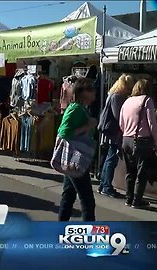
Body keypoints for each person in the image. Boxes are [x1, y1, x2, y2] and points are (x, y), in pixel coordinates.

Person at [57, 78, 97, 221]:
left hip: (75, 158)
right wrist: (88, 126)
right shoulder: (76, 109)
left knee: (68, 195)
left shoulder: (80, 108)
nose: (94, 93)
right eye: (91, 89)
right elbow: (63, 132)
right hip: (75, 158)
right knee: (87, 201)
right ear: (83, 92)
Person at [119, 79, 156, 208]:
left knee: (130, 171)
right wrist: (156, 141)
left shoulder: (127, 101)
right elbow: (152, 123)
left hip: (126, 139)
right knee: (142, 172)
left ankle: (129, 198)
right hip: (142, 140)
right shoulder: (147, 100)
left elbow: (121, 122)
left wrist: (127, 132)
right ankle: (137, 200)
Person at [98, 74, 134, 198]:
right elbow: (118, 116)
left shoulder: (112, 94)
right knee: (111, 159)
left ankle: (103, 185)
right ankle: (107, 186)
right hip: (113, 131)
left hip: (108, 130)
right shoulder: (117, 97)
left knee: (109, 157)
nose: (129, 90)